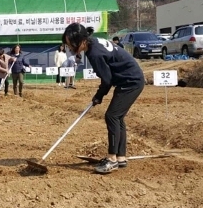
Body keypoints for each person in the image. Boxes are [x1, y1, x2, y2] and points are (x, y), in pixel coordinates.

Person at [62, 23, 145, 174]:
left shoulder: (94, 53)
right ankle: (120, 158)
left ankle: (112, 159)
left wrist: (99, 96)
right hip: (129, 80)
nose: (69, 47)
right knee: (117, 117)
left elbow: (107, 80)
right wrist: (99, 96)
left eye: (71, 43)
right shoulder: (94, 44)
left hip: (131, 82)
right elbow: (109, 78)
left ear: (81, 40)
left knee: (112, 116)